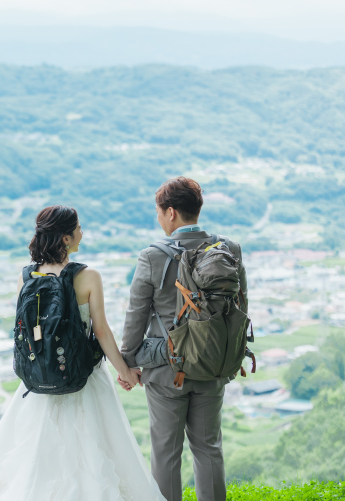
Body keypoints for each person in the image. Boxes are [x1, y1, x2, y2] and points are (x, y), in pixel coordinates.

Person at [0, 205, 165, 501]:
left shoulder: (26, 276)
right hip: (84, 376)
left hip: (40, 378)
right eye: (78, 228)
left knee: (36, 454)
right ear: (66, 238)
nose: (83, 233)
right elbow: (102, 332)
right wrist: (126, 372)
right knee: (94, 447)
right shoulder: (88, 276)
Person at [119, 177, 248, 501]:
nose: (159, 218)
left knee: (166, 453)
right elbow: (240, 307)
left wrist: (128, 364)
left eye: (159, 212)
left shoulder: (153, 256)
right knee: (208, 449)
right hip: (211, 363)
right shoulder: (228, 250)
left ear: (171, 212)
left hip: (166, 369)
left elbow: (136, 316)